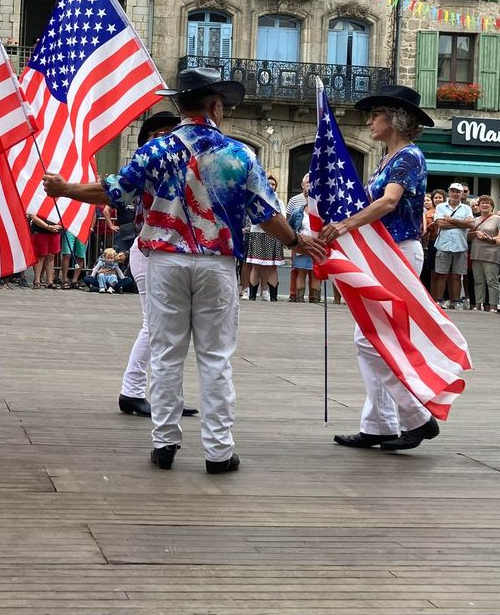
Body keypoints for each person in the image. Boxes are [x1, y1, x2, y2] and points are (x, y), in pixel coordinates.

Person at [45, 67, 319, 474]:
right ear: (215, 107)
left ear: (181, 106)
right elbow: (266, 214)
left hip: (165, 261)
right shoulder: (240, 154)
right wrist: (297, 242)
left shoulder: (156, 150)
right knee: (216, 358)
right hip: (217, 264)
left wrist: (65, 188)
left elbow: (113, 191)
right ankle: (219, 451)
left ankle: (164, 443)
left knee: (166, 353)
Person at [319, 83, 437, 453]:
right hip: (386, 254)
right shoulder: (389, 158)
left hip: (398, 254)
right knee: (372, 338)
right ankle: (379, 424)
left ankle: (415, 415)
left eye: (376, 114)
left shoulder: (408, 157)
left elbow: (388, 203)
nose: (369, 121)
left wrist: (344, 225)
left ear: (395, 119)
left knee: (371, 338)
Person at [113, 112, 191, 419]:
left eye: (171, 134)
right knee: (155, 326)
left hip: (174, 254)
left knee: (173, 329)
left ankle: (166, 395)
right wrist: (66, 189)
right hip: (148, 251)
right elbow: (113, 190)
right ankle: (132, 391)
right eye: (159, 135)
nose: (166, 140)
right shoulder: (147, 170)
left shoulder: (184, 169)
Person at [431, 183, 474, 310]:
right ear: (449, 192)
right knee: (441, 274)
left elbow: (471, 225)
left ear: (462, 194)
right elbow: (441, 224)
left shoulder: (466, 208)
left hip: (460, 245)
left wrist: (451, 220)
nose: (455, 194)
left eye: (458, 191)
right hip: (443, 244)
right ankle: (439, 300)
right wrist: (462, 223)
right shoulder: (440, 207)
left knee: (457, 275)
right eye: (453, 191)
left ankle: (456, 301)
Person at [468, 195, 500, 312]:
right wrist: (475, 233)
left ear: (492, 206)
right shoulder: (475, 220)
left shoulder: (498, 219)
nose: (484, 205)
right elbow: (467, 236)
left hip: (492, 254)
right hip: (476, 253)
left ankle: (493, 306)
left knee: (492, 281)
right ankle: (478, 305)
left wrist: (489, 239)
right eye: (482, 203)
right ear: (478, 206)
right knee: (478, 281)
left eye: (487, 203)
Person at [29, 210, 61, 289]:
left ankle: (49, 281)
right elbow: (33, 217)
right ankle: (37, 280)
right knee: (40, 256)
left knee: (51, 256)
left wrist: (59, 225)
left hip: (55, 232)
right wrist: (47, 226)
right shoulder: (37, 203)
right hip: (40, 231)